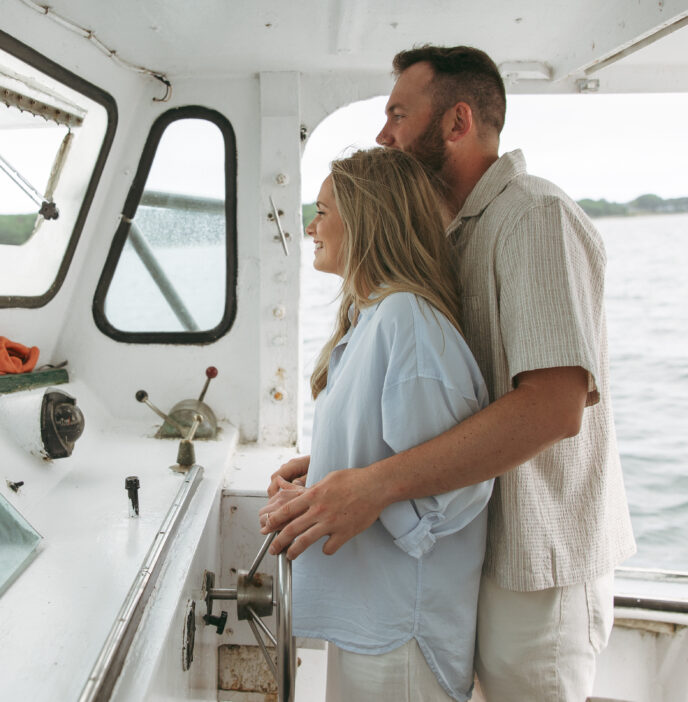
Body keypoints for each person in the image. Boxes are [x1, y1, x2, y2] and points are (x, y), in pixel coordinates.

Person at [260, 45, 636, 701]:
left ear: (457, 123)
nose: (384, 135)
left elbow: (553, 408)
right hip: (479, 544)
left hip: (538, 561)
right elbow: (438, 403)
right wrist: (337, 468)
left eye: (399, 115)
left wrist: (372, 484)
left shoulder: (532, 217)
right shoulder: (457, 235)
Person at [264, 147, 493, 701]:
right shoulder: (374, 316)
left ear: (365, 221)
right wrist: (321, 483)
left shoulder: (407, 321)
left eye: (322, 211)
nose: (310, 227)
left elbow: (458, 486)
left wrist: (358, 496)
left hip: (402, 632)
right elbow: (388, 460)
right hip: (372, 618)